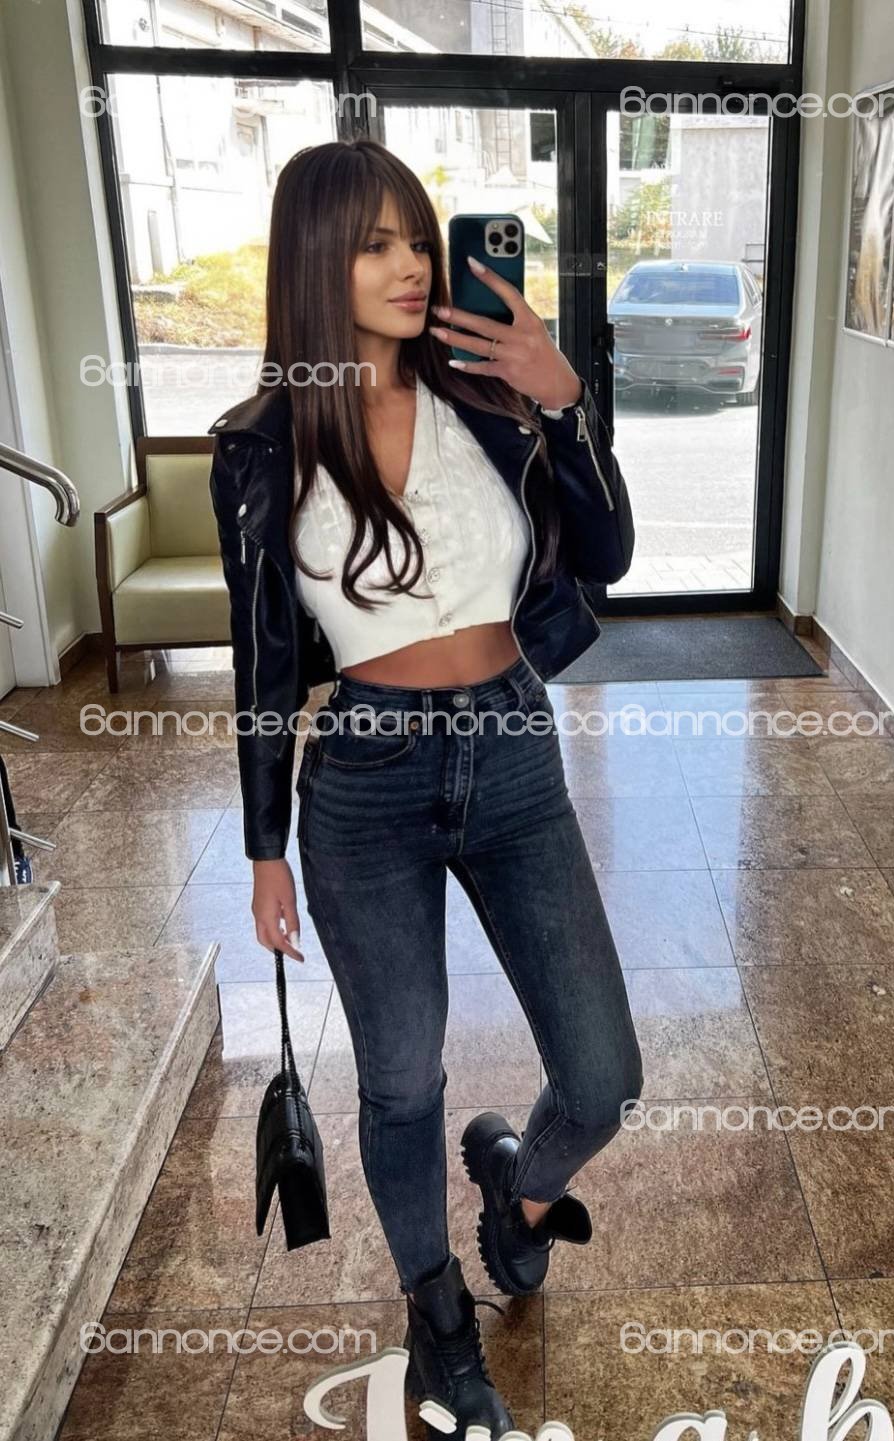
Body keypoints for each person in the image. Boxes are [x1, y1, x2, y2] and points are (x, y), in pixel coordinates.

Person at [208, 138, 644, 1440]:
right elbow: (263, 662)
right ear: (313, 264)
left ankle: (521, 1191)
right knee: (401, 1082)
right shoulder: (259, 446)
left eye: (417, 238)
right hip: (367, 779)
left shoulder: (492, 399)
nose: (410, 266)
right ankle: (439, 1317)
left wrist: (566, 399)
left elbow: (609, 551)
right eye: (374, 244)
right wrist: (265, 848)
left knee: (604, 1073)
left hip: (512, 749)